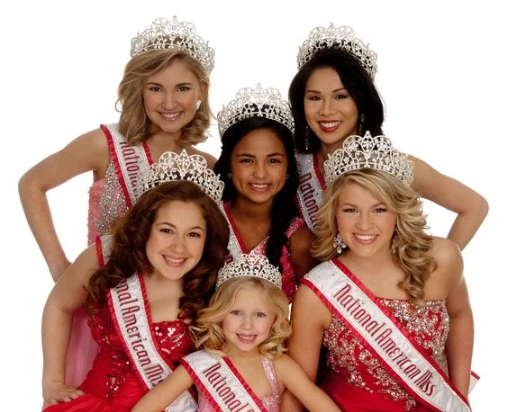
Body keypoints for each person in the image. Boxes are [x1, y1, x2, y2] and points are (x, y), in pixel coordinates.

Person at [20, 15, 216, 387]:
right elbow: (32, 183)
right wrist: (60, 266)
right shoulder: (106, 145)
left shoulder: (207, 166)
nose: (169, 102)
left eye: (182, 88)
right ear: (138, 89)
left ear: (202, 90)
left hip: (170, 327)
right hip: (104, 311)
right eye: (155, 88)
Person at [283, 133, 475, 411]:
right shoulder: (317, 291)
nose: (364, 224)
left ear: (398, 211)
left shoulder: (442, 258)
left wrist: (459, 399)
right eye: (351, 210)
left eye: (379, 209)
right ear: (334, 212)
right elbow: (298, 390)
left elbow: (460, 315)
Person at [41, 152, 230, 411]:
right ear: (145, 228)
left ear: (207, 239)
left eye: (193, 234)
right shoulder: (107, 258)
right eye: (166, 230)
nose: (179, 247)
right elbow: (59, 305)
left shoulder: (215, 285)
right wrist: (52, 381)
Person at [289, 23, 488, 250]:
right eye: (314, 98)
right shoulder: (291, 163)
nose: (326, 110)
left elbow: (474, 206)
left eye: (341, 96)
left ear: (362, 100)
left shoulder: (395, 166)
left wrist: (440, 265)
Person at [132, 252, 342, 412]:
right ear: (220, 314)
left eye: (259, 315)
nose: (247, 325)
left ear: (275, 319)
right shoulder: (200, 364)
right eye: (236, 313)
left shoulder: (280, 366)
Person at [213, 84, 316, 302]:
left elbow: (311, 309)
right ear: (229, 164)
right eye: (247, 160)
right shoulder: (207, 220)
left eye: (273, 161)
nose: (260, 173)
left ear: (288, 168)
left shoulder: (299, 240)